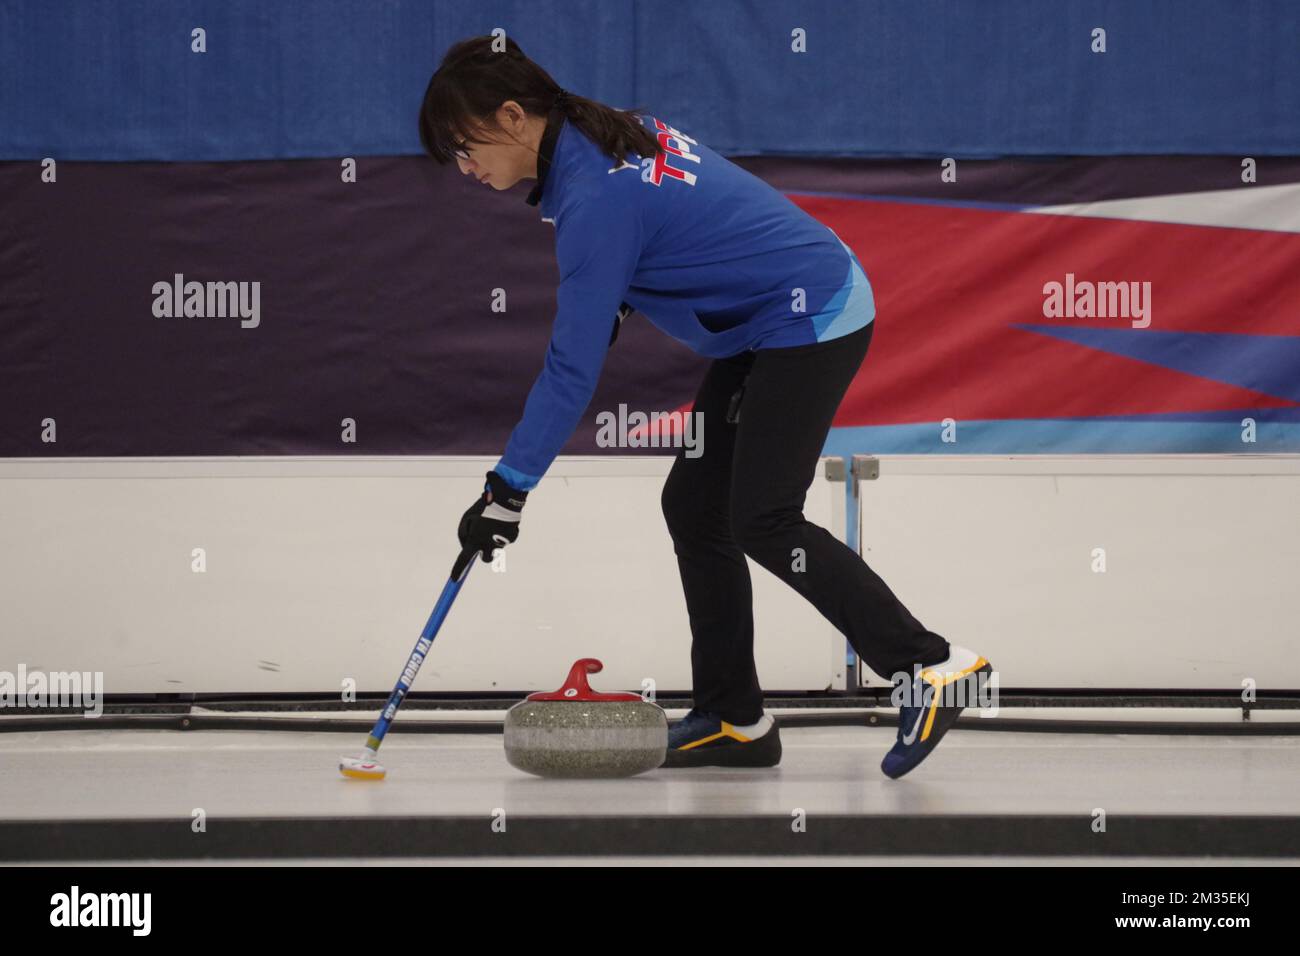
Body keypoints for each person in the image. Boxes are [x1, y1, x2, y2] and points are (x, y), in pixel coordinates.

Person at [419, 35, 993, 779]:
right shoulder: (594, 142)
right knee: (696, 505)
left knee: (763, 515)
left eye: (466, 149)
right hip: (762, 322)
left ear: (513, 116)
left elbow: (571, 368)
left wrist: (508, 490)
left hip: (810, 314)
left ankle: (934, 665)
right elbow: (672, 238)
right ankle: (735, 719)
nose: (467, 170)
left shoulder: (594, 195)